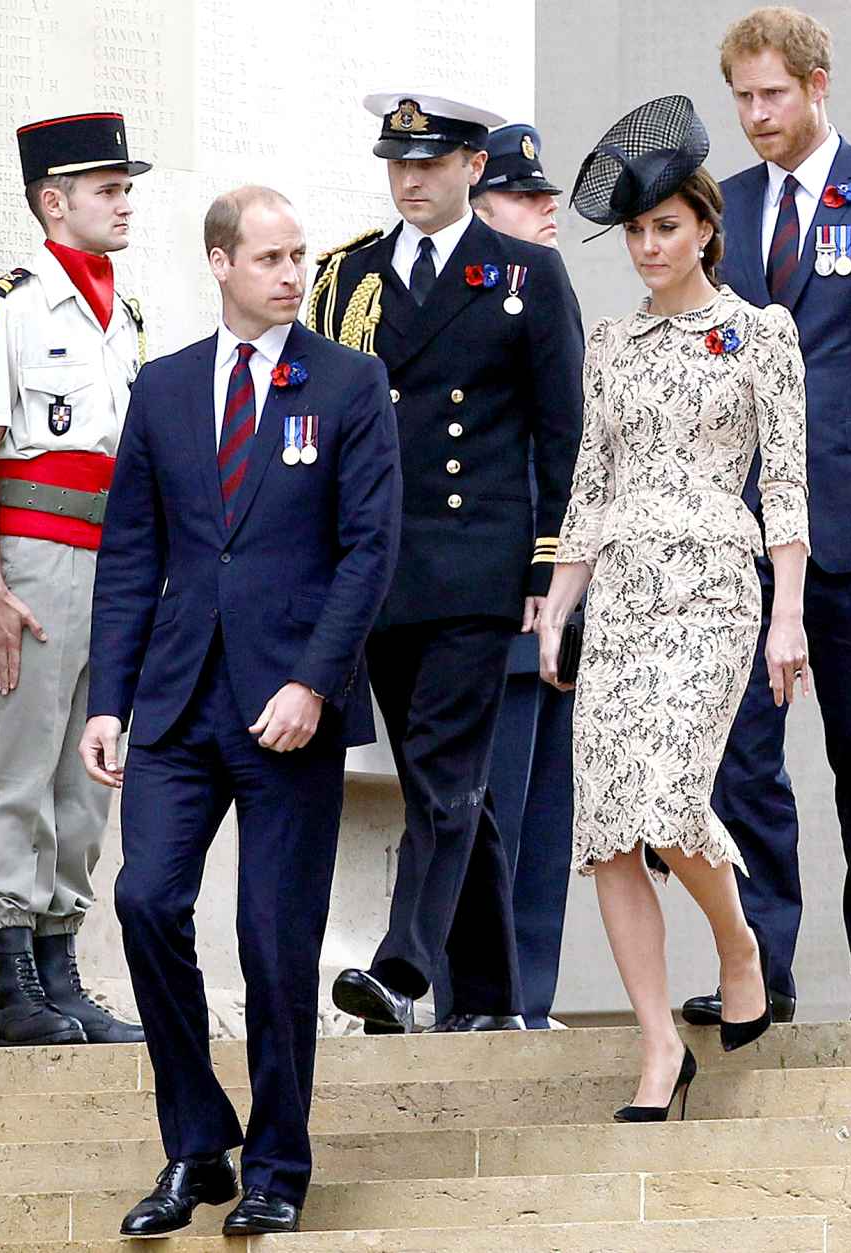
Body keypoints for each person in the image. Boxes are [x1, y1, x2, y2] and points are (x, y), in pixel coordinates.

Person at [79, 185, 401, 1238]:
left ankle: (277, 1165)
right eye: (268, 256)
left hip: (288, 707)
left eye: (299, 255)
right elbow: (131, 551)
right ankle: (195, 1143)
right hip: (175, 702)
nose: (290, 273)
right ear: (219, 262)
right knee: (144, 902)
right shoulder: (166, 388)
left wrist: (315, 680)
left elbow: (369, 550)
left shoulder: (349, 381)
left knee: (272, 941)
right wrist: (109, 698)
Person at [540, 96, 809, 1120]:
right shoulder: (608, 342)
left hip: (711, 590)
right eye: (637, 231)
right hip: (619, 597)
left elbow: (783, 487)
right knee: (608, 829)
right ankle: (659, 1048)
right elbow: (588, 485)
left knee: (667, 794)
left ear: (703, 225)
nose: (648, 246)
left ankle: (738, 943)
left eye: (666, 226)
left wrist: (787, 616)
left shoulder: (757, 333)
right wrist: (560, 603)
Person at [308, 92, 584, 1035]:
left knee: (438, 765)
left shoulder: (526, 276)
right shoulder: (348, 277)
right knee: (458, 786)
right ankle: (499, 997)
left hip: (480, 571)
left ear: (473, 167)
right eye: (397, 164)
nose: (410, 180)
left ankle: (402, 968)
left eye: (429, 164)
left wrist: (550, 576)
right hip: (383, 572)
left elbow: (564, 437)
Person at [683, 6, 851, 1028]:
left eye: (771, 94)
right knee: (741, 756)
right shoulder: (725, 209)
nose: (754, 115)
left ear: (816, 84)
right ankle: (763, 968)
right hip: (742, 534)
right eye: (740, 97)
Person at [0, 111, 149, 1048]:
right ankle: (12, 978)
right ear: (54, 199)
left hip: (115, 563)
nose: (124, 203)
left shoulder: (127, 310)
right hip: (37, 557)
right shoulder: (11, 303)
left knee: (90, 771)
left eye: (125, 187)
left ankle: (63, 968)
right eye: (107, 189)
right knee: (23, 761)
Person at [432, 124, 575, 1030]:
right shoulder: (453, 308)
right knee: (482, 809)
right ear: (481, 209)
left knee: (549, 816)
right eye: (527, 196)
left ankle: (533, 996)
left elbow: (573, 450)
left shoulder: (545, 296)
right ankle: (478, 1000)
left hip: (561, 592)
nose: (548, 209)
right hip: (490, 594)